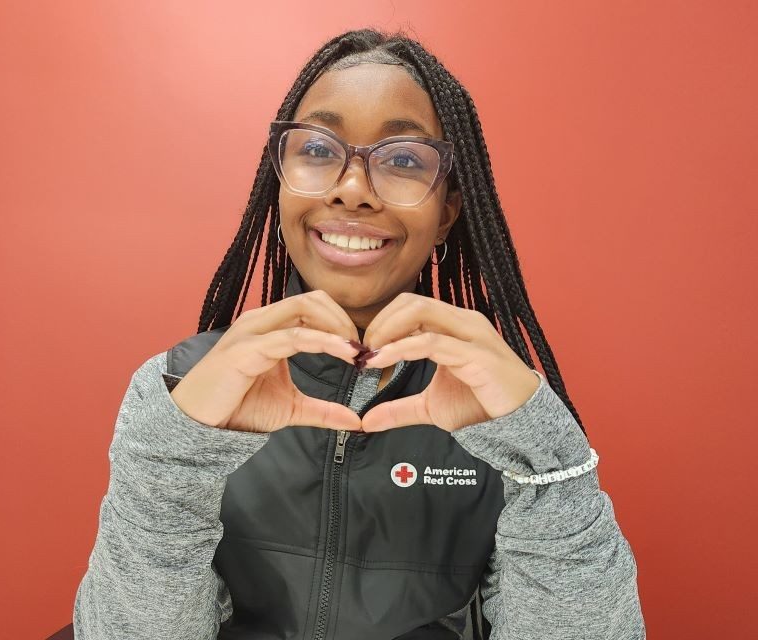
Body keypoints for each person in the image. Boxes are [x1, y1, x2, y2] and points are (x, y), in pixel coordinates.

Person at [72, 28, 646, 640]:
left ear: (447, 212)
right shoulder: (178, 390)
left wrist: (543, 457)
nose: (352, 189)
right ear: (279, 185)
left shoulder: (502, 408)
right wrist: (177, 455)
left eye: (404, 161)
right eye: (319, 150)